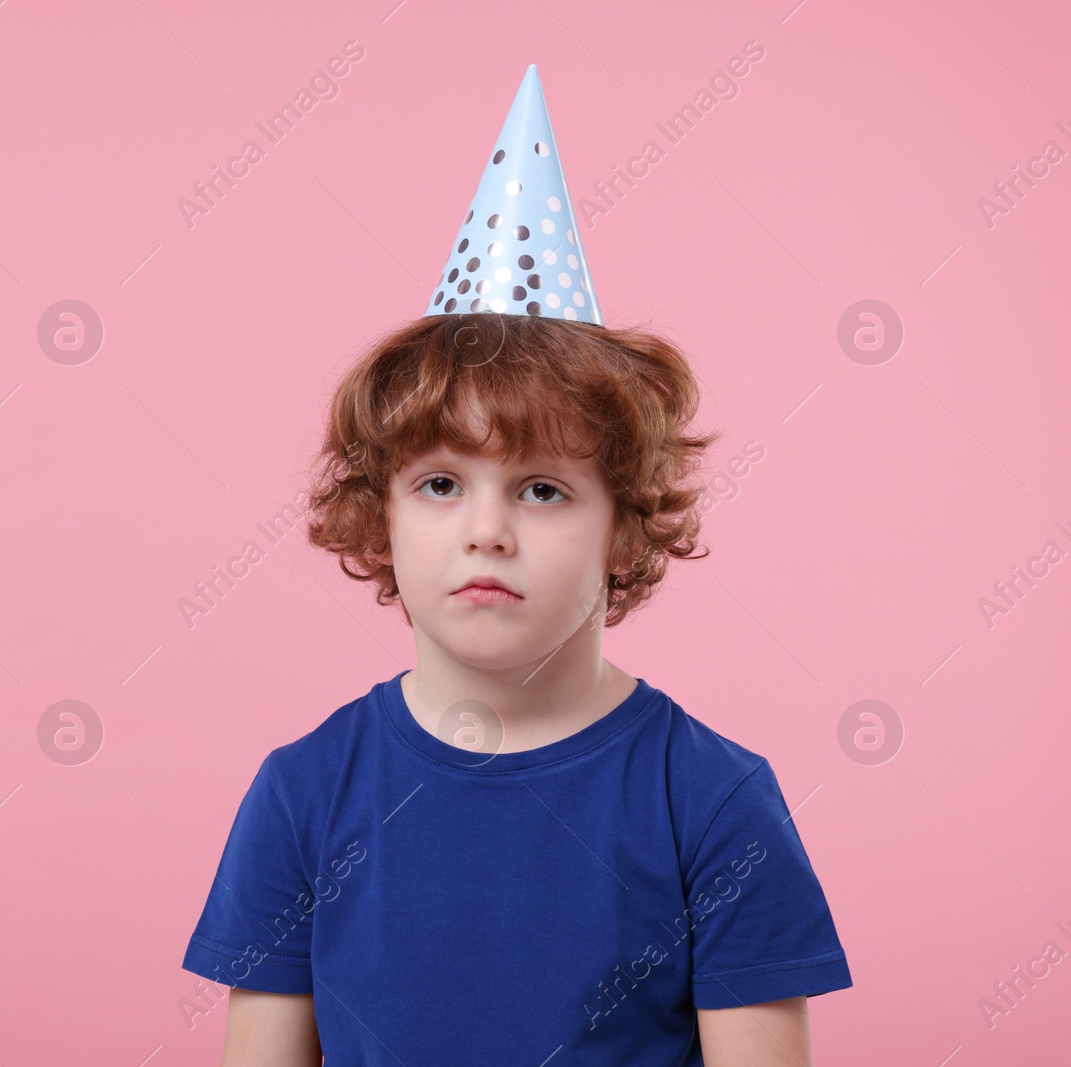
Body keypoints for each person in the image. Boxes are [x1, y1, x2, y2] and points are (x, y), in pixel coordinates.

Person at [178, 64, 851, 1066]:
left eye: (541, 488)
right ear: (380, 516)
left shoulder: (710, 800)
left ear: (623, 529)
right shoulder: (303, 794)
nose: (486, 530)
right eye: (441, 485)